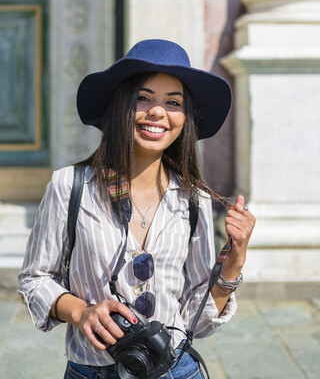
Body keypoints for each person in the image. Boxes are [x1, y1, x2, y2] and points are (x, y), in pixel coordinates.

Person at [18, 39, 255, 379]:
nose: (157, 112)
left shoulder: (195, 200)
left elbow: (196, 324)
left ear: (185, 119)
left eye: (173, 103)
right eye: (143, 98)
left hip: (177, 371)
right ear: (120, 106)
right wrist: (81, 312)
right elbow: (35, 279)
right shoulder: (70, 186)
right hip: (92, 370)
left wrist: (234, 263)